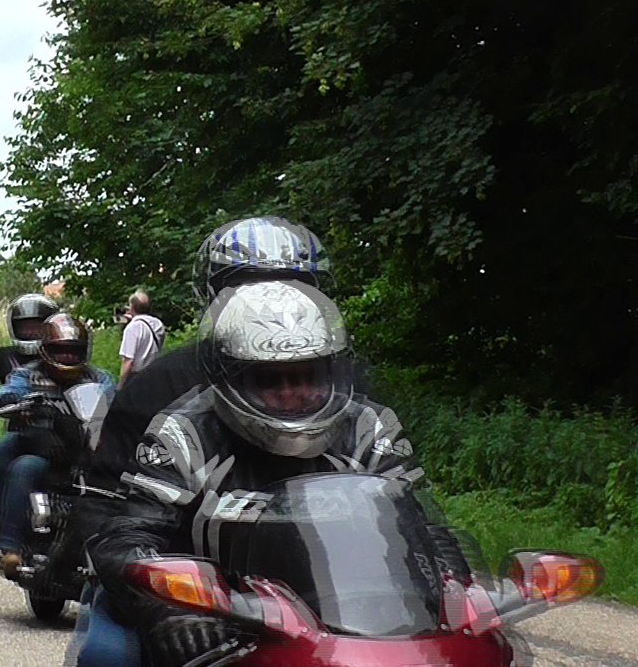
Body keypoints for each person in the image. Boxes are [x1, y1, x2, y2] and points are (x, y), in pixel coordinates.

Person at [80, 281, 468, 667]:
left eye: (305, 377)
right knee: (107, 655)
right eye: (268, 379)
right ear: (230, 378)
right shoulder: (187, 433)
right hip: (218, 618)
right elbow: (129, 535)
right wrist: (169, 610)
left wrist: (455, 589)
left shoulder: (366, 429)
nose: (290, 393)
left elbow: (425, 528)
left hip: (352, 621)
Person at [68, 216, 339, 667]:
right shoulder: (157, 386)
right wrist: (162, 608)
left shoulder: (350, 395)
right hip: (186, 599)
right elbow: (106, 508)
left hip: (332, 596)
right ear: (216, 297)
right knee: (108, 655)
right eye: (249, 288)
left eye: (293, 287)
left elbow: (405, 510)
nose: (274, 302)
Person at [0, 313, 115, 578]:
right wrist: (13, 400)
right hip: (40, 443)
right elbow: (4, 395)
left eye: (73, 351)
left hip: (85, 446)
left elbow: (117, 401)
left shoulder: (100, 379)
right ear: (45, 350)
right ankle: (8, 543)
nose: (67, 357)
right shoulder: (28, 375)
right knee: (18, 463)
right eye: (60, 351)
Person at [0, 271, 60, 384]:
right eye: (25, 327)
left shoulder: (64, 357)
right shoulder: (6, 359)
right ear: (15, 327)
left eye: (36, 327)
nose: (31, 332)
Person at [118, 291, 166, 387]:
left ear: (131, 307)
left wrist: (120, 385)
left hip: (137, 378)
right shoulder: (158, 324)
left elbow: (129, 362)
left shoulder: (132, 328)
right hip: (154, 375)